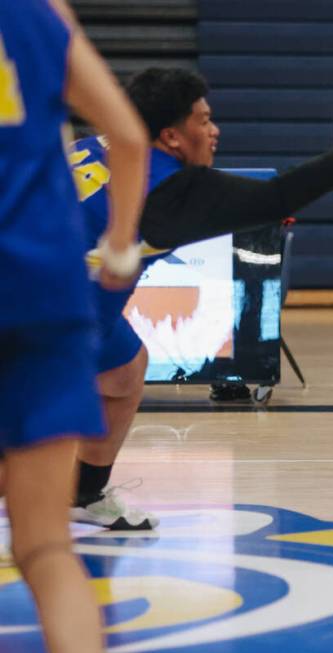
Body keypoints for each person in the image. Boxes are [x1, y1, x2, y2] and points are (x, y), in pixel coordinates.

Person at [68, 67, 333, 529]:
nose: (214, 130)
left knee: (124, 371)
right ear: (171, 137)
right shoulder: (172, 192)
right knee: (29, 444)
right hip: (43, 312)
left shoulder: (94, 144)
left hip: (74, 301)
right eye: (203, 120)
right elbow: (277, 198)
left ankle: (84, 495)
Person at [0, 0, 148, 650]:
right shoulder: (38, 16)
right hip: (44, 286)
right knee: (45, 547)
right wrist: (119, 249)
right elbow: (131, 137)